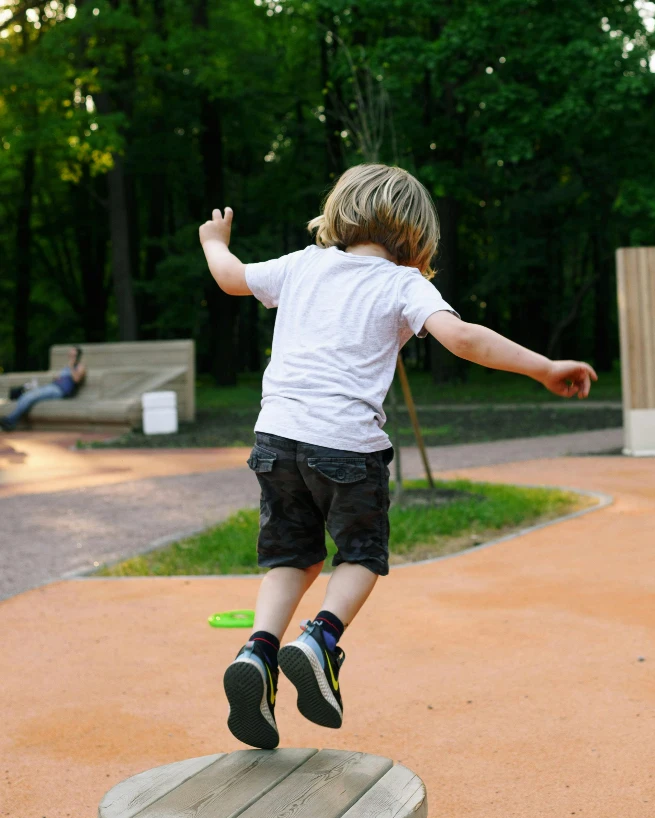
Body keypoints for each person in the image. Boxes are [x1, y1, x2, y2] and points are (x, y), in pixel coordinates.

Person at [199, 163, 597, 749]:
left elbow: (231, 279)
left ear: (342, 211)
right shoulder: (403, 283)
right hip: (346, 445)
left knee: (293, 554)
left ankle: (258, 650)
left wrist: (213, 242)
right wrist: (543, 367)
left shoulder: (301, 265)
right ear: (416, 235)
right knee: (359, 555)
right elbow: (462, 340)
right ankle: (320, 640)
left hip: (275, 440)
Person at [0, 347, 86, 432]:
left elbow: (76, 379)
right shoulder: (66, 367)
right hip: (53, 386)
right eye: (70, 355)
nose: (71, 357)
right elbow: (59, 378)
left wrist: (71, 366)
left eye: (73, 355)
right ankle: (11, 419)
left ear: (78, 356)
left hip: (59, 391)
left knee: (31, 396)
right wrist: (57, 377)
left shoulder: (80, 367)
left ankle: (10, 420)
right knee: (27, 395)